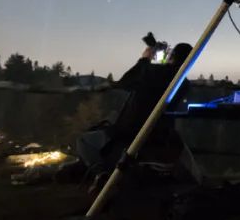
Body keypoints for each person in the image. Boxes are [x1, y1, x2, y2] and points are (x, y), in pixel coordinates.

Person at [75, 39, 193, 183]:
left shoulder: (154, 73)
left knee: (84, 140)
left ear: (172, 56)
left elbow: (126, 81)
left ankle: (100, 173)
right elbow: (164, 76)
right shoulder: (184, 83)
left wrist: (145, 59)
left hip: (133, 130)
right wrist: (162, 62)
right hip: (159, 132)